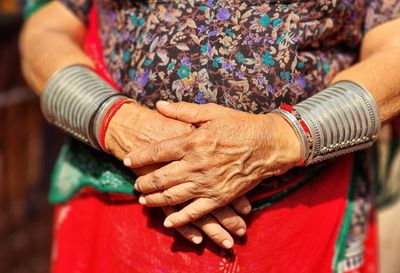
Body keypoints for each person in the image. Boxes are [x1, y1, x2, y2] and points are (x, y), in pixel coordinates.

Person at [19, 0, 400, 272]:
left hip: (306, 219)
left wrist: (278, 140)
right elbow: (47, 28)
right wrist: (118, 125)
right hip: (120, 210)